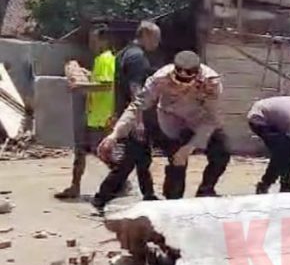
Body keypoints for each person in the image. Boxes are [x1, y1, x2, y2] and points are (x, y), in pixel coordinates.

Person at [98, 51, 230, 199]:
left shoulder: (211, 82)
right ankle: (172, 200)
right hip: (172, 120)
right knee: (177, 160)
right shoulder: (160, 78)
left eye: (186, 82)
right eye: (177, 81)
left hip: (200, 120)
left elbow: (211, 119)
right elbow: (137, 106)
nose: (181, 87)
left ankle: (206, 190)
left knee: (222, 153)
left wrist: (190, 147)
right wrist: (116, 133)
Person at [90, 21, 161, 210]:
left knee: (142, 158)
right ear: (145, 34)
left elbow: (119, 88)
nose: (158, 42)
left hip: (125, 113)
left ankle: (149, 196)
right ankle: (100, 198)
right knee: (127, 163)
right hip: (133, 117)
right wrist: (137, 122)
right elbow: (135, 89)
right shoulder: (138, 57)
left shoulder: (123, 54)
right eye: (156, 37)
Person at [55, 27, 122, 199]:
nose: (91, 44)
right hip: (93, 114)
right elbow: (102, 81)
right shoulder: (101, 59)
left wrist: (81, 86)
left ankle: (122, 182)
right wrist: (88, 75)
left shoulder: (107, 59)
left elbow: (107, 85)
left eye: (94, 40)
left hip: (100, 116)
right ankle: (75, 187)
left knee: (102, 153)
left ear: (105, 40)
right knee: (81, 151)